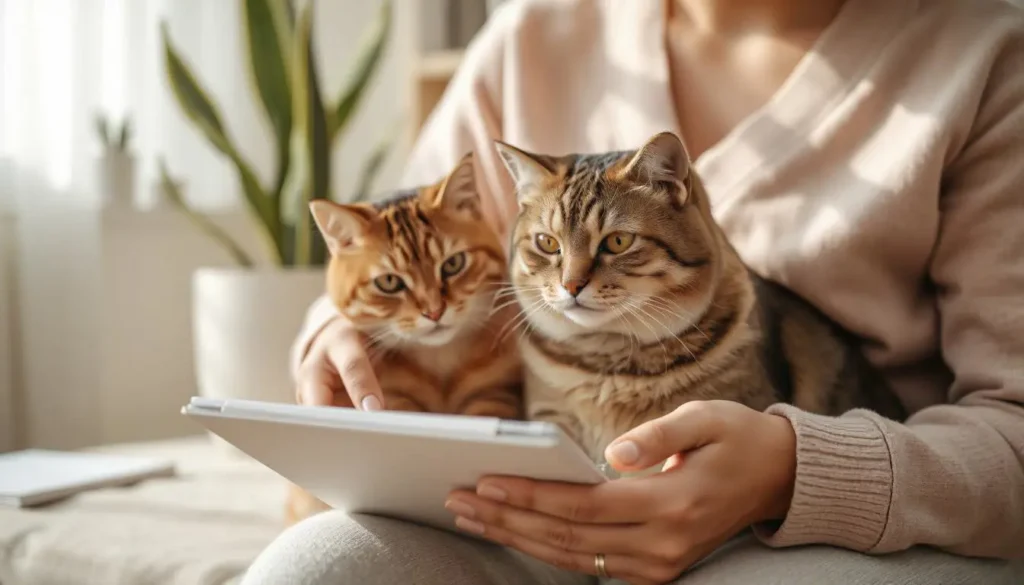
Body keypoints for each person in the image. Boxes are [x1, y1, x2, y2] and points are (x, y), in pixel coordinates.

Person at [243, 0, 1024, 583]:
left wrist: (794, 471)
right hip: (532, 499)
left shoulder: (986, 55)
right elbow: (404, 239)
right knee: (318, 569)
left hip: (818, 524)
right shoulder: (530, 36)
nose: (573, 280)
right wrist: (334, 334)